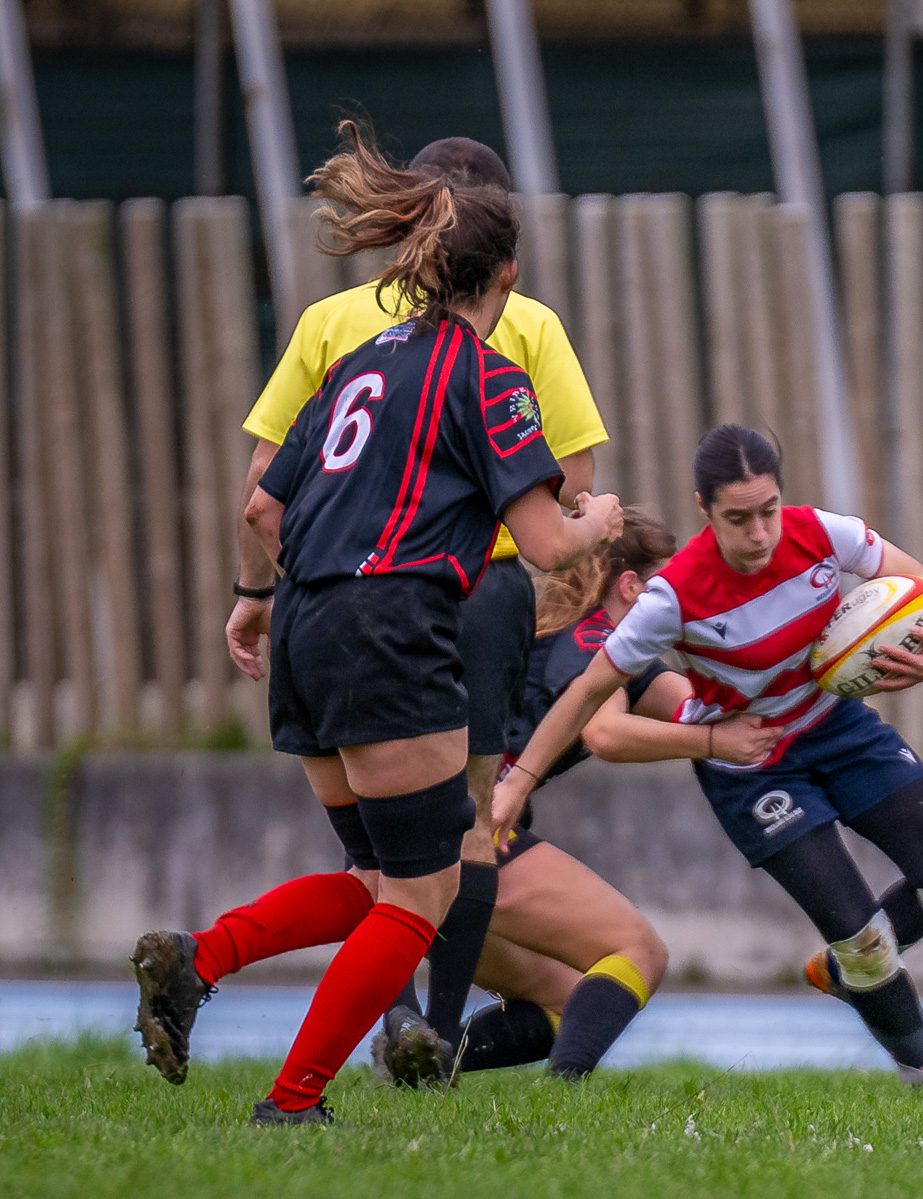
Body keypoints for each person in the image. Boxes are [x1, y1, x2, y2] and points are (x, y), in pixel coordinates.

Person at [129, 121, 622, 1125]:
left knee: (373, 876)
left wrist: (258, 600)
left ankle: (201, 957)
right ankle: (293, 1099)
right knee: (422, 893)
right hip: (391, 627)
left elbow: (262, 502)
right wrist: (599, 522)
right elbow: (546, 541)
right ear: (509, 272)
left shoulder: (358, 355)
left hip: (306, 621)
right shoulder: (487, 372)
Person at [492, 424, 923, 1087]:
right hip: (754, 770)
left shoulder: (824, 535)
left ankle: (845, 973)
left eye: (769, 511)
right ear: (704, 509)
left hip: (837, 727)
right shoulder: (675, 596)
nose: (759, 534)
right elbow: (588, 694)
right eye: (738, 518)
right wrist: (518, 779)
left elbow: (913, 577)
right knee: (861, 936)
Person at [373, 508, 783, 1085]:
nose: (688, 600)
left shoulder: (608, 645)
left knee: (574, 998)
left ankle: (420, 1063)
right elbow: (605, 732)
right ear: (631, 586)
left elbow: (701, 705)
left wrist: (804, 685)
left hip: (431, 827)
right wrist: (714, 740)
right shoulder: (598, 635)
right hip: (466, 831)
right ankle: (566, 1092)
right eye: (675, 586)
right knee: (639, 951)